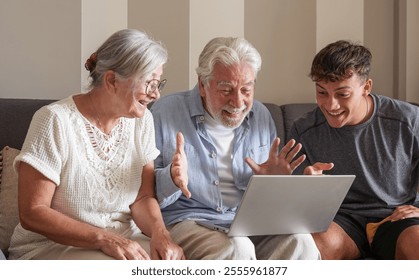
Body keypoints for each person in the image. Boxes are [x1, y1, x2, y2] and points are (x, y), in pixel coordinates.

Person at [8, 29, 184, 260]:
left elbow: (142, 198)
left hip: (123, 240)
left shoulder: (142, 121)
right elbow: (33, 212)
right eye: (149, 83)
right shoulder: (54, 120)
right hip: (51, 246)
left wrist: (161, 234)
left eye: (158, 84)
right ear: (111, 80)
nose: (156, 95)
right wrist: (104, 239)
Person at [151, 37, 320, 260]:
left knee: (302, 242)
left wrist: (274, 184)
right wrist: (171, 177)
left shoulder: (260, 115)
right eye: (226, 89)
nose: (238, 101)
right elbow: (144, 194)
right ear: (202, 84)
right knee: (236, 248)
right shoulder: (165, 112)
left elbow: (267, 199)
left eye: (246, 90)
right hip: (188, 219)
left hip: (247, 222)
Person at [290, 40, 419, 259]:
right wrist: (306, 186)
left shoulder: (407, 120)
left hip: (396, 216)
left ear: (366, 87)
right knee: (314, 244)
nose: (331, 105)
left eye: (342, 94)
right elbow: (296, 207)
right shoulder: (303, 130)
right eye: (322, 93)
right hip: (341, 219)